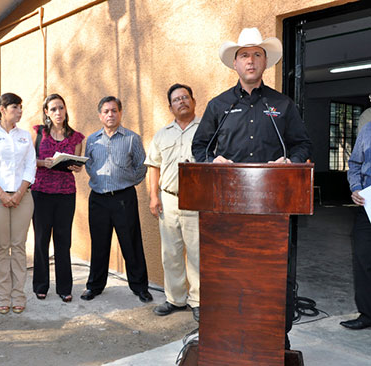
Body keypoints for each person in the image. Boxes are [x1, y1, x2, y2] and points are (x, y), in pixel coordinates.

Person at [191, 28, 312, 349]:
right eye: (244, 54)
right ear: (235, 63)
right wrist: (212, 161)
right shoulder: (218, 105)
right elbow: (199, 147)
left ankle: (274, 334)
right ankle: (227, 332)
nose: (251, 60)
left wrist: (291, 160)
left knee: (272, 274)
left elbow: (302, 144)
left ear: (265, 62)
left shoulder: (282, 105)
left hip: (273, 206)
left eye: (257, 54)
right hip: (225, 208)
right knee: (229, 271)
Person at [81, 96, 152, 303]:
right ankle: (94, 286)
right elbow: (89, 164)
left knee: (131, 243)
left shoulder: (132, 138)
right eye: (106, 111)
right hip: (98, 199)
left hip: (124, 198)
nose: (110, 114)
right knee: (99, 244)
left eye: (114, 110)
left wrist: (128, 181)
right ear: (100, 115)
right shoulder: (92, 139)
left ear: (120, 113)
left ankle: (140, 287)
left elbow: (142, 166)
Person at [145, 84, 200, 321]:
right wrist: (153, 196)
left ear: (193, 101)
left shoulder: (207, 130)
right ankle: (175, 299)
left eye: (185, 97)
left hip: (197, 201)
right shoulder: (162, 134)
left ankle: (198, 301)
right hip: (168, 200)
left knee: (197, 254)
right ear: (171, 107)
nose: (181, 102)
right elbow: (153, 166)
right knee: (171, 253)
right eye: (176, 99)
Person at [0, 93, 36, 315]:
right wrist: (2, 194)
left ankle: (19, 295)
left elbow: (31, 166)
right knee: (2, 247)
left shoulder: (24, 136)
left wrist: (20, 193)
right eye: (15, 107)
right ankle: (3, 296)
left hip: (23, 198)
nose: (20, 111)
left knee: (19, 246)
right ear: (2, 109)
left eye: (21, 107)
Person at [31, 94, 84, 302]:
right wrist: (43, 163)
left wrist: (76, 166)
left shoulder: (76, 137)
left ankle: (64, 287)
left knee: (64, 241)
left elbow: (78, 166)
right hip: (41, 192)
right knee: (41, 240)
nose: (58, 112)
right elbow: (27, 159)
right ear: (46, 112)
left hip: (66, 194)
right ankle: (40, 285)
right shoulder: (38, 133)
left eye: (61, 108)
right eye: (53, 109)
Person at [342, 121, 371, 330]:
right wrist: (356, 188)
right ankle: (367, 314)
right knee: (363, 258)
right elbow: (354, 164)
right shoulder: (368, 129)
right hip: (367, 203)